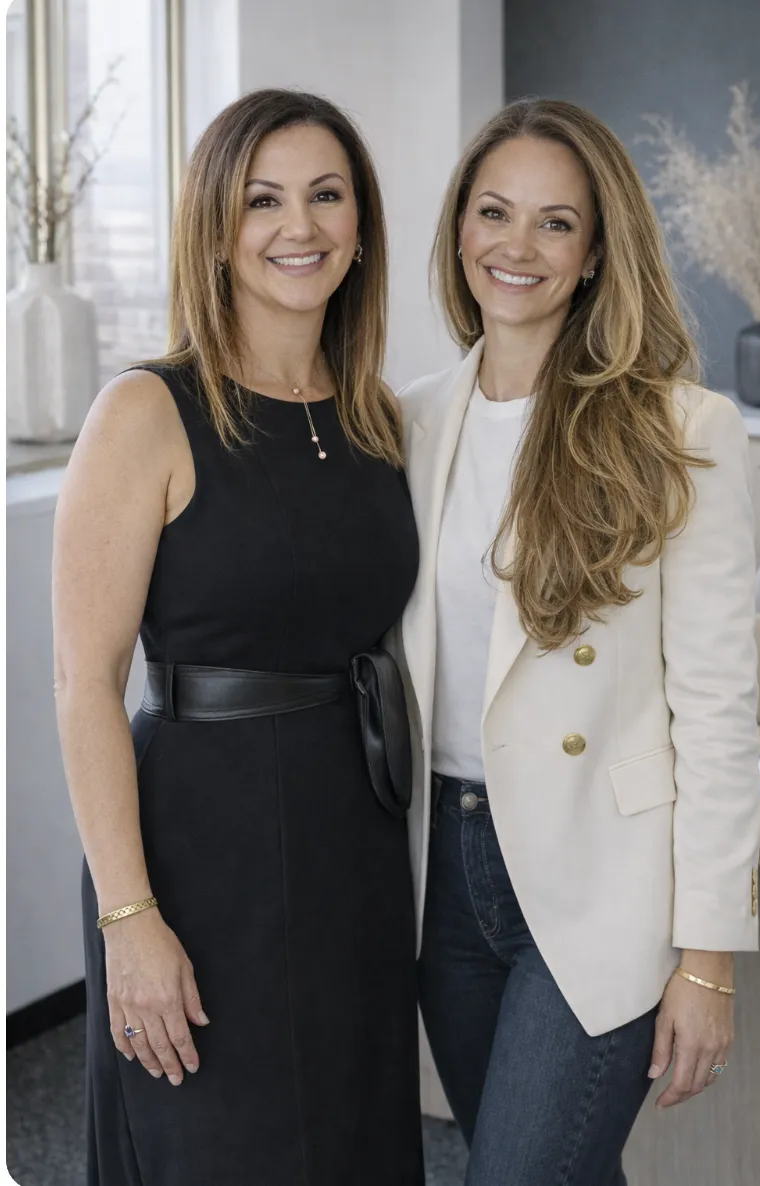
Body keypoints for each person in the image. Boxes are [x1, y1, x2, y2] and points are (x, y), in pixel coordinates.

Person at [53, 89, 423, 1186]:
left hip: (352, 843)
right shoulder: (145, 411)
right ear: (215, 229)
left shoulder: (375, 416)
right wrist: (130, 917)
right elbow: (83, 682)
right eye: (263, 200)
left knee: (353, 1141)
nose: (297, 226)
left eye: (325, 196)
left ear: (360, 228)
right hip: (197, 854)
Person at [395, 98, 760, 1185]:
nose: (517, 246)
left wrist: (708, 959)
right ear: (458, 225)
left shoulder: (680, 430)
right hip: (440, 870)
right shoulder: (406, 421)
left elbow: (715, 709)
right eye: (494, 212)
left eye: (555, 223)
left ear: (596, 251)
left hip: (603, 880)